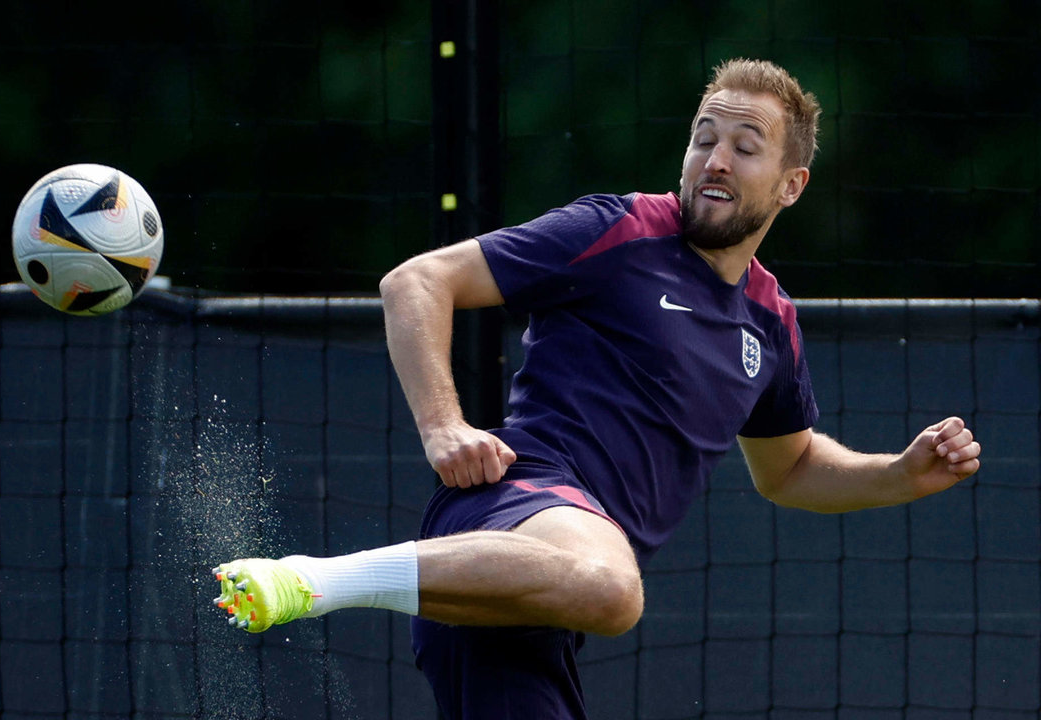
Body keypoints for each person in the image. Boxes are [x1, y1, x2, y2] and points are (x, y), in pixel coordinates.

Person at [213, 58, 981, 718]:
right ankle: (312, 582)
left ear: (790, 185)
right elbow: (416, 282)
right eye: (703, 137)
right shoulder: (616, 231)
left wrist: (899, 474)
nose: (714, 158)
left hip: (533, 603)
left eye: (745, 147)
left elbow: (788, 471)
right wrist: (443, 425)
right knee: (615, 590)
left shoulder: (770, 323)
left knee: (602, 588)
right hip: (511, 507)